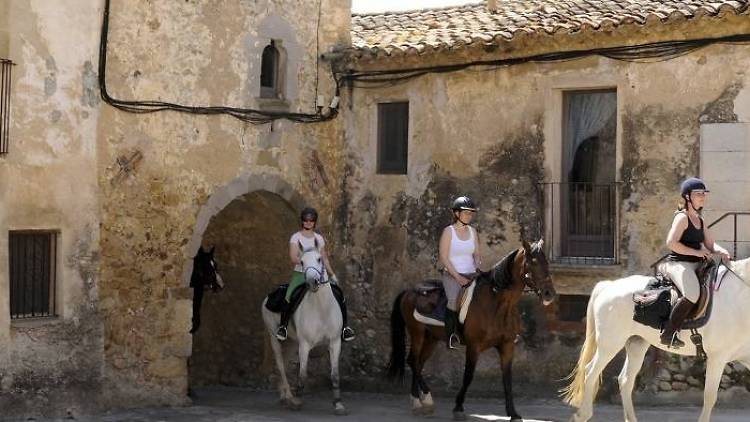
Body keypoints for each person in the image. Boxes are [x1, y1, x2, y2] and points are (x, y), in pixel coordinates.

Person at [657, 177, 731, 348]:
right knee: (692, 294)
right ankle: (668, 334)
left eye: (704, 194)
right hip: (679, 264)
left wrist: (721, 250)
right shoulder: (682, 218)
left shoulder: (700, 219)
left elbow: (710, 244)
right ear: (687, 197)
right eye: (699, 194)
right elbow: (671, 243)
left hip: (698, 264)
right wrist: (697, 252)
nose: (703, 197)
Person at [276, 207, 356, 343]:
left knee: (339, 293)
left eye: (311, 220)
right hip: (301, 273)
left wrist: (332, 274)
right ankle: (283, 326)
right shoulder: (296, 237)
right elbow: (293, 256)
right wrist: (306, 262)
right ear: (302, 221)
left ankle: (345, 328)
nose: (308, 222)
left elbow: (324, 258)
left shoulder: (319, 238)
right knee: (289, 295)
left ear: (314, 222)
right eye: (306, 220)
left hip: (320, 274)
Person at [439, 196, 482, 349]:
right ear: (457, 214)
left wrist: (477, 266)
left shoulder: (473, 232)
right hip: (452, 275)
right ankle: (451, 336)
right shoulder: (448, 232)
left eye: (471, 213)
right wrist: (458, 277)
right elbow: (444, 257)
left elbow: (476, 254)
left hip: (471, 274)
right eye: (466, 213)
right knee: (454, 302)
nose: (469, 216)